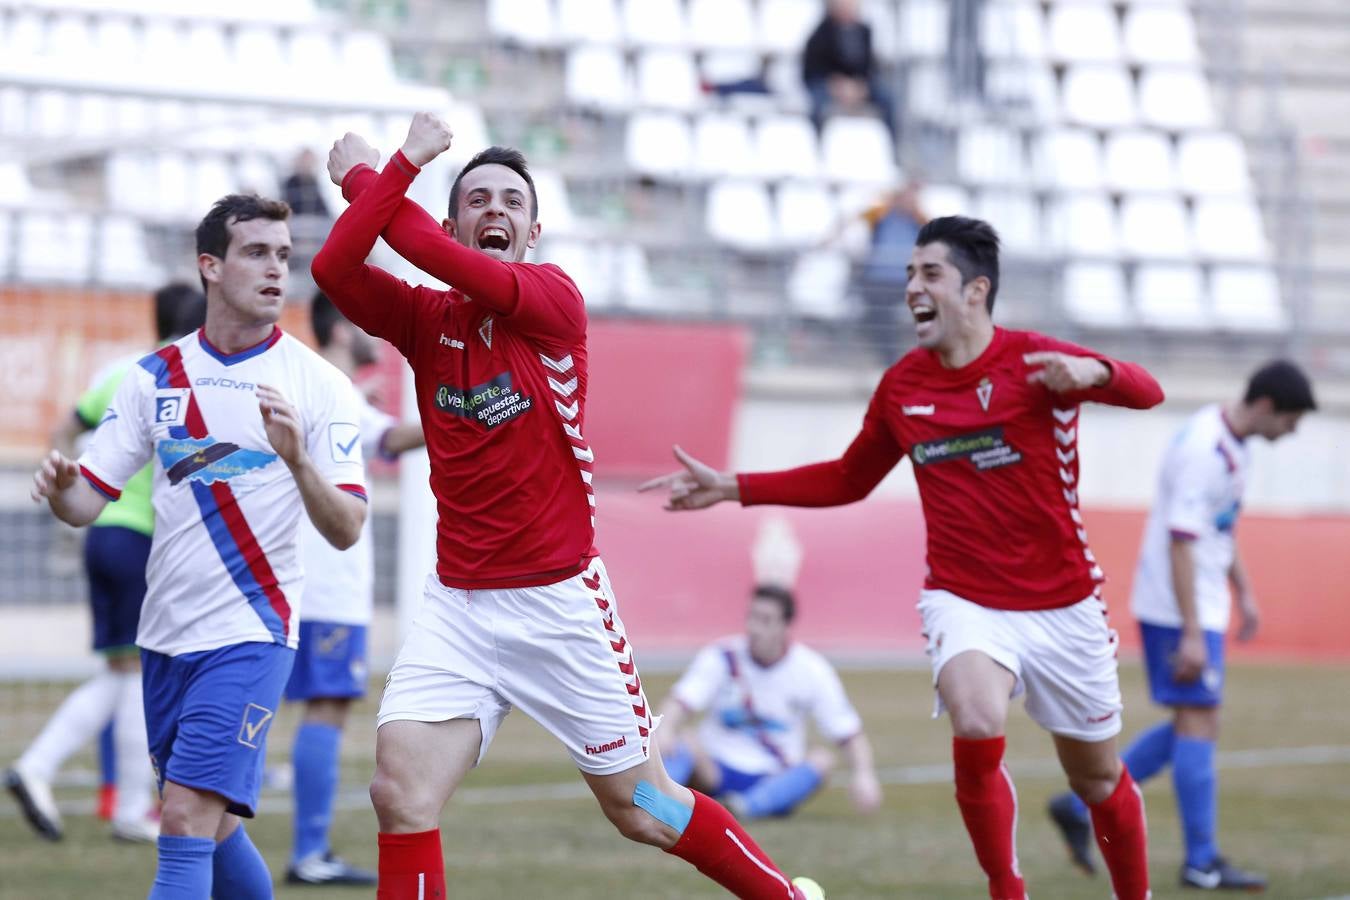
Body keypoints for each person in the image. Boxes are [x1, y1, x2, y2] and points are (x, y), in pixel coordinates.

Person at [312, 111, 826, 900]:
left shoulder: (552, 302)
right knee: (400, 794)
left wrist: (378, 174)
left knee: (646, 807)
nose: (493, 211)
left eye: (510, 202)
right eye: (476, 199)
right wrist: (392, 183)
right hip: (459, 608)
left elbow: (421, 247)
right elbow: (336, 271)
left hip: (559, 605)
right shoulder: (424, 320)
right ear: (455, 220)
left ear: (534, 230)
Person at [642, 215, 1164, 900]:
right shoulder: (904, 386)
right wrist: (734, 487)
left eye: (930, 274)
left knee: (1096, 779)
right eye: (910, 274)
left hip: (1063, 603)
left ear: (976, 290)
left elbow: (1147, 391)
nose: (911, 286)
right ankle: (1007, 889)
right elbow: (848, 478)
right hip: (965, 597)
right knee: (976, 717)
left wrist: (1098, 370)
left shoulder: (1036, 362)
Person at [30, 193, 368, 899]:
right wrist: (62, 488)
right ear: (209, 266)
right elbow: (87, 501)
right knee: (212, 828)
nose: (277, 269)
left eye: (283, 255)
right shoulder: (152, 379)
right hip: (165, 638)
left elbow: (347, 527)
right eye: (256, 253)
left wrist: (300, 462)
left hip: (251, 634)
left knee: (181, 818)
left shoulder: (318, 385)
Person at [1048, 360, 1316, 891]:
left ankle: (1081, 806)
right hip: (1177, 608)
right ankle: (1201, 861)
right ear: (1266, 407)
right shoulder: (1202, 450)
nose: (1292, 432)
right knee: (1198, 723)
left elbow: (1220, 527)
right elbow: (1180, 540)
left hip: (1202, 603)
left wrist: (1244, 589)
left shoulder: (1234, 446)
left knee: (1198, 724)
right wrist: (1192, 630)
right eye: (1291, 420)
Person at [6, 283, 206, 845]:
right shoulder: (178, 376)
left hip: (100, 534)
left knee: (121, 673)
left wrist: (64, 485)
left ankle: (111, 797)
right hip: (141, 538)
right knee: (136, 675)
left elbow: (66, 427)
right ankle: (63, 777)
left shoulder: (122, 370)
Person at [284, 291, 425, 887]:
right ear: (343, 327)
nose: (379, 335)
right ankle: (309, 852)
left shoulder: (317, 390)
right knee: (328, 707)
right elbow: (393, 440)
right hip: (329, 585)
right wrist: (473, 405)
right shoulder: (334, 391)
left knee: (313, 709)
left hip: (307, 580)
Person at [659, 585, 883, 820]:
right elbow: (680, 702)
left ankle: (744, 807)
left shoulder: (811, 669)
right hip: (715, 771)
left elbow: (847, 731)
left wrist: (864, 774)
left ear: (785, 626)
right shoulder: (723, 656)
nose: (754, 628)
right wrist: (665, 729)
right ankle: (658, 803)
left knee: (822, 761)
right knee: (684, 739)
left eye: (765, 620)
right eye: (752, 617)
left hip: (772, 774)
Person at [802, 0, 897, 143]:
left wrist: (860, 87)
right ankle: (818, 144)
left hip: (859, 86)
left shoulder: (864, 31)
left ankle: (890, 146)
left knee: (888, 99)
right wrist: (836, 86)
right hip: (828, 85)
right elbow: (811, 70)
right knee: (817, 104)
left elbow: (870, 67)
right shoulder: (820, 33)